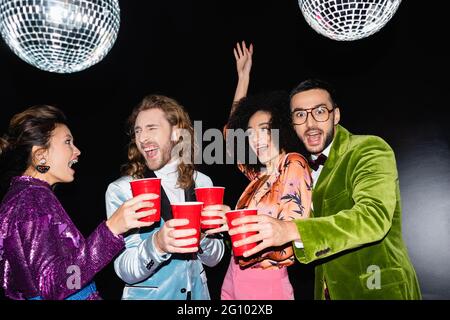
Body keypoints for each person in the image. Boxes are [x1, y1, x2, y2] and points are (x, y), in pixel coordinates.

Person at [228, 79, 422, 299]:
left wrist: (292, 230)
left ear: (336, 115)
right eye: (300, 114)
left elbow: (373, 217)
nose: (310, 123)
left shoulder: (368, 149)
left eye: (320, 111)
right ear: (291, 123)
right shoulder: (298, 169)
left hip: (376, 287)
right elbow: (234, 145)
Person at [0, 105, 156, 300]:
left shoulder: (20, 196)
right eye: (68, 142)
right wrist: (111, 230)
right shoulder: (32, 198)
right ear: (41, 156)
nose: (77, 151)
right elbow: (54, 284)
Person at [203, 41, 312, 300]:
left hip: (267, 284)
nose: (256, 139)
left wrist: (233, 224)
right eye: (251, 133)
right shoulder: (260, 176)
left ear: (281, 130)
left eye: (264, 130)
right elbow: (230, 136)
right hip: (234, 274)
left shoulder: (293, 164)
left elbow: (293, 240)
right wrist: (243, 78)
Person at [105, 94, 225, 300]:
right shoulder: (123, 189)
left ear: (177, 132)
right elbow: (125, 271)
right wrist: (157, 245)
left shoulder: (203, 183)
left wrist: (202, 236)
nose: (142, 138)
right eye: (138, 131)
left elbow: (214, 260)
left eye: (151, 128)